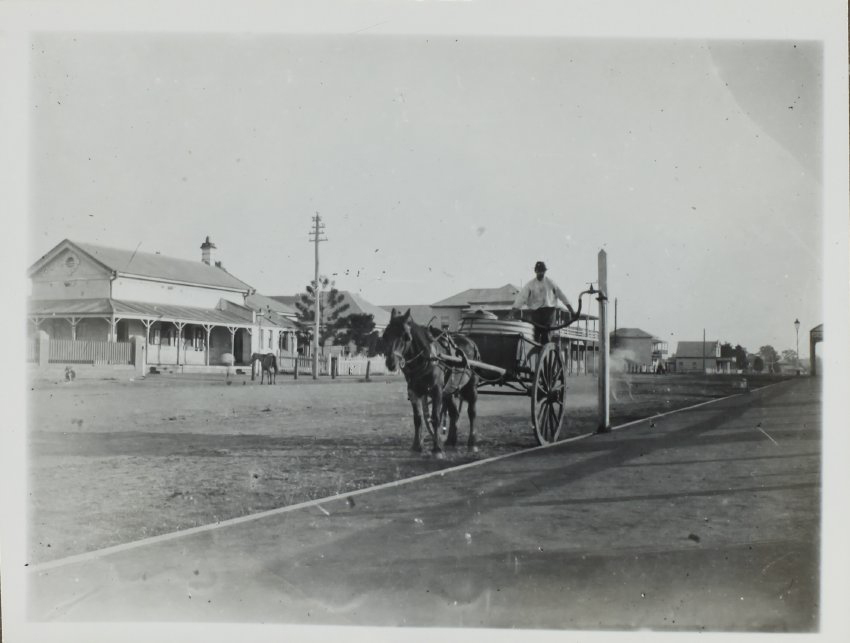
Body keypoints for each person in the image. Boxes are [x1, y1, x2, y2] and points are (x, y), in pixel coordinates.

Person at [510, 261, 576, 344]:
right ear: (535, 271)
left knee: (546, 336)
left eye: (542, 271)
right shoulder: (530, 285)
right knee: (534, 337)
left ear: (545, 271)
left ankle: (545, 354)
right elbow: (520, 299)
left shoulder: (550, 283)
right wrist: (511, 314)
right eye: (539, 271)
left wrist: (571, 311)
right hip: (536, 313)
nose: (541, 273)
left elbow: (562, 296)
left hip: (549, 313)